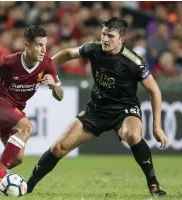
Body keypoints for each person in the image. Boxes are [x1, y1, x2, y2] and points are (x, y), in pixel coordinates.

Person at [26, 17, 167, 197]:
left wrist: (157, 126)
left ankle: (153, 184)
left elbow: (155, 91)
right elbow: (68, 53)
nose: (105, 39)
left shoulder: (133, 62)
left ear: (121, 39)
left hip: (124, 110)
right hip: (96, 109)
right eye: (103, 34)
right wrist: (44, 69)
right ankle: (27, 187)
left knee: (132, 135)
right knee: (59, 148)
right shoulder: (94, 48)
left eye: (110, 36)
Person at [0, 26, 63, 196]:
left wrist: (54, 86)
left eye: (45, 45)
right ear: (27, 45)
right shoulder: (10, 62)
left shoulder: (47, 64)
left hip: (14, 110)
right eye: (39, 45)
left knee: (17, 158)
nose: (43, 50)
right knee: (27, 128)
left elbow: (59, 96)